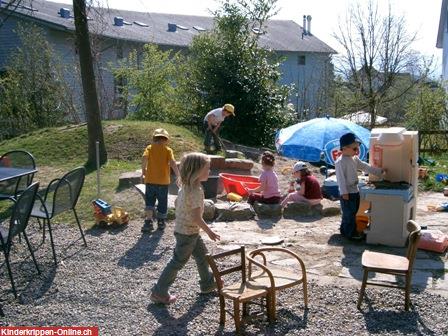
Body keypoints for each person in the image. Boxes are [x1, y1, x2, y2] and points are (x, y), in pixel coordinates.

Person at [150, 152, 220, 304]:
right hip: (187, 233)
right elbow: (196, 217)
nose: (209, 172)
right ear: (197, 171)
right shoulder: (195, 191)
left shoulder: (185, 186)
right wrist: (210, 231)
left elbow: (177, 205)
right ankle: (159, 292)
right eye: (207, 169)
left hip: (188, 230)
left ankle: (207, 285)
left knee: (202, 256)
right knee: (178, 261)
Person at [335, 132, 385, 240]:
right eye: (354, 149)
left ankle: (345, 230)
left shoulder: (354, 159)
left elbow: (365, 166)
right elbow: (340, 179)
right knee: (349, 213)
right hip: (347, 192)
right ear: (344, 148)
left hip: (355, 190)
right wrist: (344, 193)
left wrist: (379, 171)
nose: (356, 151)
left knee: (353, 211)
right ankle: (350, 233)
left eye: (357, 149)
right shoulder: (340, 162)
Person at [141, 128, 180, 233]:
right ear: (166, 139)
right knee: (162, 202)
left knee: (149, 201)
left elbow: (144, 159)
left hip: (150, 181)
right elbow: (173, 163)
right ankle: (161, 222)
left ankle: (148, 222)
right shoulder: (168, 150)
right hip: (163, 182)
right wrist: (178, 175)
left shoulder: (149, 148)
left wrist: (143, 171)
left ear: (154, 138)